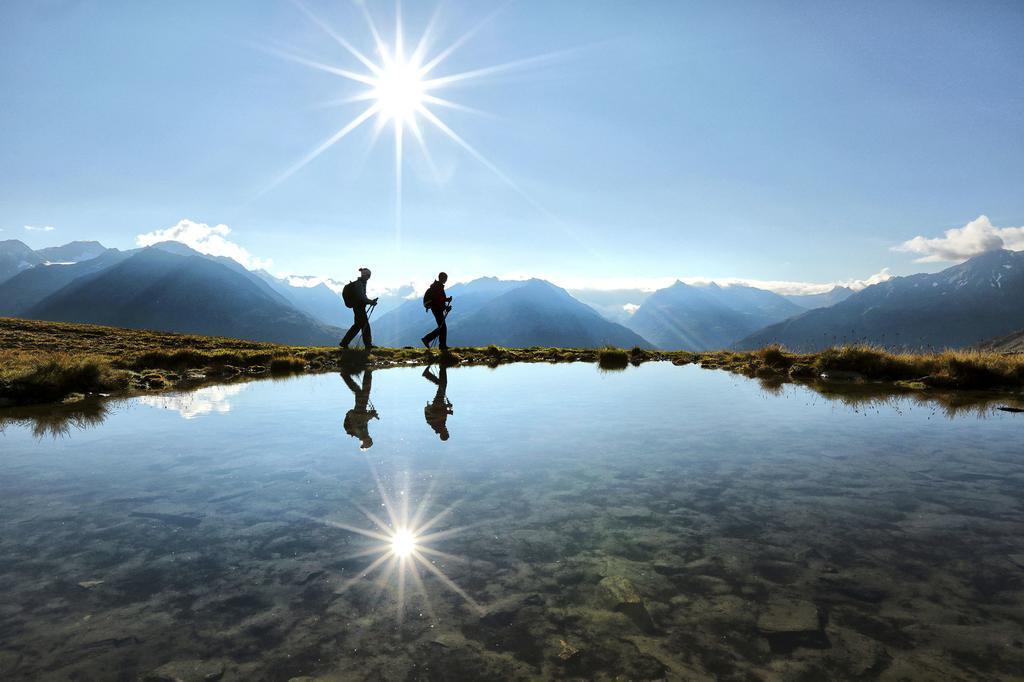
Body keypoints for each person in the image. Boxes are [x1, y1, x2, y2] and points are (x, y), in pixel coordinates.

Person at [340, 267, 378, 350]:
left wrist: (370, 301)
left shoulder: (361, 283)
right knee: (365, 326)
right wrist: (371, 302)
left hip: (358, 307)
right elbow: (362, 298)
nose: (369, 277)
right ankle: (367, 345)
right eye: (368, 275)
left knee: (357, 326)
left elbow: (362, 297)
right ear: (365, 275)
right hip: (359, 307)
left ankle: (344, 342)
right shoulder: (359, 284)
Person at [342, 368, 377, 450]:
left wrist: (371, 415)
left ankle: (346, 376)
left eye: (369, 440)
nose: (370, 438)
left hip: (359, 408)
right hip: (361, 408)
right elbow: (364, 420)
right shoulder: (363, 434)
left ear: (366, 441)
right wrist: (371, 414)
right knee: (362, 391)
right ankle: (367, 372)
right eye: (370, 440)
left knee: (361, 391)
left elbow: (360, 419)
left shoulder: (360, 434)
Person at [421, 272, 452, 350]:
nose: (446, 280)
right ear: (442, 278)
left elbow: (439, 299)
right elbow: (439, 300)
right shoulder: (439, 287)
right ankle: (432, 341)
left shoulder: (437, 286)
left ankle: (440, 344)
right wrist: (446, 306)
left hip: (435, 308)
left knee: (442, 327)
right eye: (445, 278)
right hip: (436, 309)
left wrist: (446, 301)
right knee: (443, 327)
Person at [422, 364, 453, 441]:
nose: (447, 430)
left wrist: (447, 407)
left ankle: (441, 367)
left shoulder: (438, 426)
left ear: (443, 434)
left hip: (437, 404)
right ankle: (440, 368)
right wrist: (447, 410)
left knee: (443, 384)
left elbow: (438, 413)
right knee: (442, 384)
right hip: (438, 403)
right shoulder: (440, 426)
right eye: (447, 431)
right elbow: (441, 413)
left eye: (446, 432)